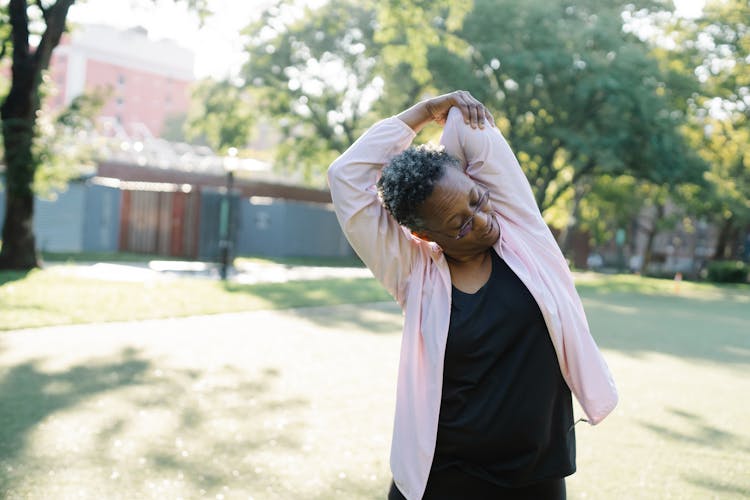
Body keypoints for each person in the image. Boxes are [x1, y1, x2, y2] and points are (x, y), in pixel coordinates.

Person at [327, 91, 618, 500]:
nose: (483, 221)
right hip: (443, 475)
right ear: (424, 235)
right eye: (460, 225)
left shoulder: (524, 235)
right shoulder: (413, 273)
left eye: (477, 200)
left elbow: (468, 125)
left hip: (535, 473)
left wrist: (444, 112)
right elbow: (345, 177)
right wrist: (421, 114)